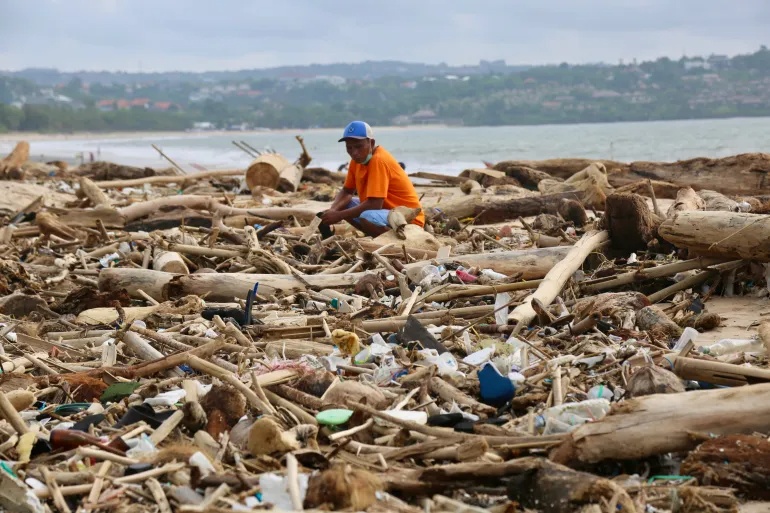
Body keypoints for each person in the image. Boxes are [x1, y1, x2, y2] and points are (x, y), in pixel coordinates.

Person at [320, 121, 424, 237]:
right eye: (349, 148)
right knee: (344, 204)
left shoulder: (378, 160)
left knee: (367, 217)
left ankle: (392, 240)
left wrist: (339, 215)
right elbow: (347, 191)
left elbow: (374, 204)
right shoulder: (356, 161)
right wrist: (333, 210)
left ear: (371, 142)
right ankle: (376, 234)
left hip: (406, 218)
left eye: (359, 146)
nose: (354, 153)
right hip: (384, 212)